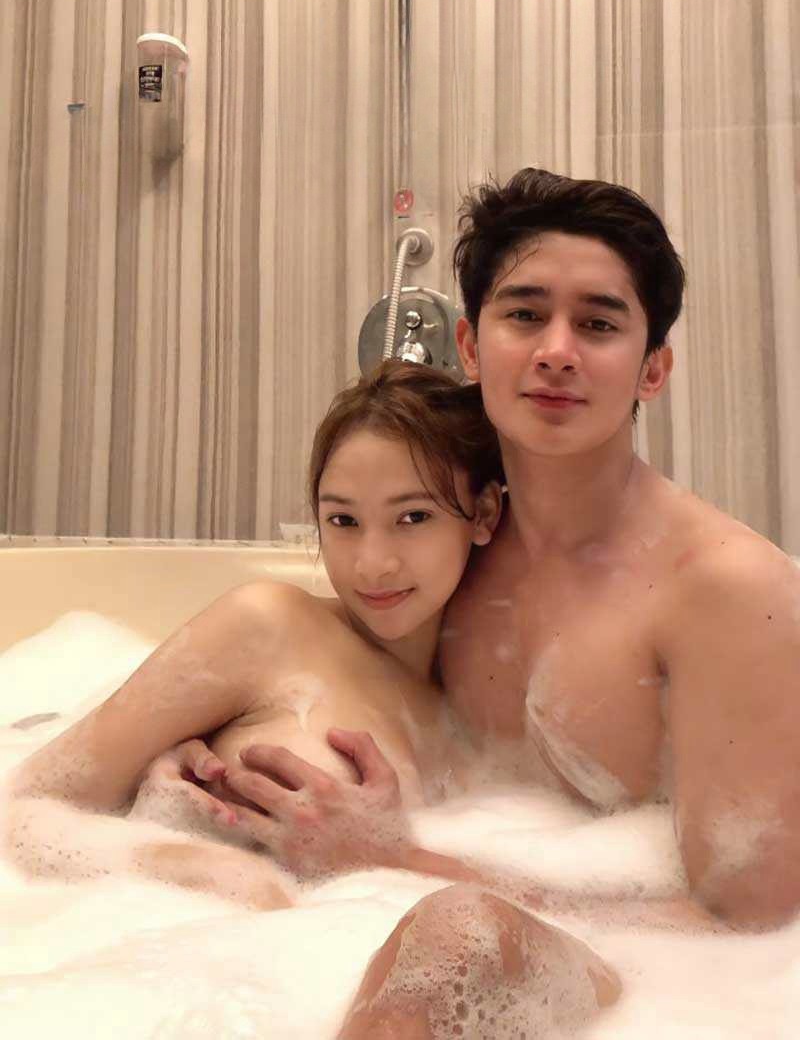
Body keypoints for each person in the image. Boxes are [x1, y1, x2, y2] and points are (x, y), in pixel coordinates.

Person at [154, 167, 799, 1028]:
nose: (556, 350)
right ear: (468, 346)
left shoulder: (725, 590)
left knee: (460, 940)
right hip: (368, 926)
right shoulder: (454, 542)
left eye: (598, 324)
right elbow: (331, 668)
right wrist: (193, 765)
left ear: (653, 368)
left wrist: (396, 858)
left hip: (661, 977)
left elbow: (749, 925)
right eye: (525, 315)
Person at [6, 358, 622, 1037]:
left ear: (482, 513)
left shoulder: (487, 712)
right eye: (343, 520)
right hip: (181, 981)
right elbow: (24, 806)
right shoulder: (268, 627)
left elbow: (591, 907)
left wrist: (383, 859)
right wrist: (221, 872)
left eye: (412, 517)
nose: (372, 563)